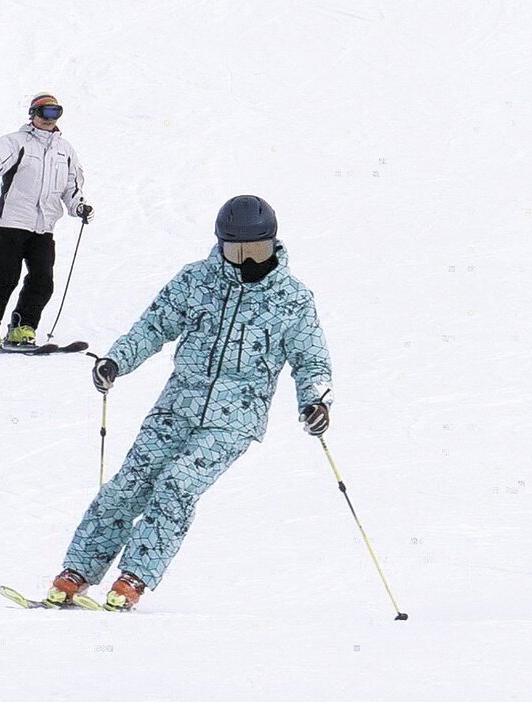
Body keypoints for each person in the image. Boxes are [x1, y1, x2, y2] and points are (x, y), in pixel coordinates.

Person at [45, 195, 333, 610]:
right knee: (128, 484)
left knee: (177, 485)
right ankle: (77, 571)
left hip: (234, 419)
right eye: (237, 251)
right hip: (177, 404)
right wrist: (117, 360)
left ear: (273, 244)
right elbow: (154, 325)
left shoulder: (292, 299)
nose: (248, 262)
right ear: (221, 246)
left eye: (257, 251)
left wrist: (316, 401)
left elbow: (311, 359)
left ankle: (134, 578)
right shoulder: (196, 281)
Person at [0, 93, 94, 347]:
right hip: (12, 224)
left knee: (42, 281)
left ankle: (22, 327)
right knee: (4, 279)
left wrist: (78, 206)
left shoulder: (65, 150)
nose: (49, 119)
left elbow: (71, 186)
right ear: (32, 114)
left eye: (55, 113)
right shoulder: (16, 143)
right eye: (44, 113)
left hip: (44, 227)